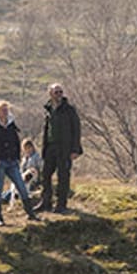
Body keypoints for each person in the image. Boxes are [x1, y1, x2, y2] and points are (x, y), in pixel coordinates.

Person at [0, 100, 39, 225]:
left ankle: (30, 214)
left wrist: (17, 157)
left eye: (6, 109)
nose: (5, 111)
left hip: (12, 161)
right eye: (3, 109)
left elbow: (16, 141)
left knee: (21, 186)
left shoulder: (11, 124)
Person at [34, 83, 83, 214]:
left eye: (61, 92)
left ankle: (61, 205)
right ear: (50, 94)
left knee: (63, 176)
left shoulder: (69, 110)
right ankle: (46, 202)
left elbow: (76, 129)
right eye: (56, 92)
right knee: (45, 175)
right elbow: (46, 130)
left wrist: (75, 149)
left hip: (65, 148)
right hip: (50, 147)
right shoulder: (48, 109)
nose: (59, 94)